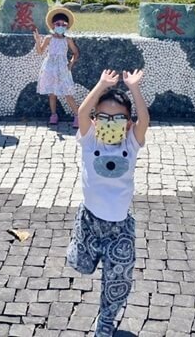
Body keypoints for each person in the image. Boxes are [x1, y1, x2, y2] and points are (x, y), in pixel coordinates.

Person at [67, 69, 149, 336]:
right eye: (103, 117)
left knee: (117, 279)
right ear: (95, 120)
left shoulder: (131, 142)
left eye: (117, 118)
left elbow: (144, 120)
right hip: (89, 223)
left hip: (120, 229)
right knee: (80, 264)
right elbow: (81, 113)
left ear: (127, 123)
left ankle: (105, 322)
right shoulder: (89, 139)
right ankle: (78, 249)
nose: (110, 121)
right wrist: (101, 85)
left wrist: (134, 88)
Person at [33, 7, 81, 126]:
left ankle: (78, 116)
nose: (61, 26)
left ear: (67, 26)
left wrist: (71, 63)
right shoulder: (49, 38)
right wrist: (38, 41)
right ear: (53, 25)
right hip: (50, 67)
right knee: (52, 93)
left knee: (67, 93)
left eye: (64, 24)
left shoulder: (68, 40)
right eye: (58, 24)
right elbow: (40, 52)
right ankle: (53, 115)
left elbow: (76, 52)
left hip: (63, 68)